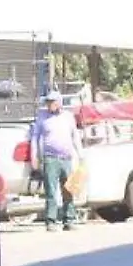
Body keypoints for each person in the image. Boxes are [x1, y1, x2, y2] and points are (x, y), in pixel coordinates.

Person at [30, 92, 81, 232]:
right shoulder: (42, 117)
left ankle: (69, 219)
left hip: (66, 158)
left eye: (52, 102)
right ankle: (51, 221)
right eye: (48, 102)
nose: (49, 105)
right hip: (50, 158)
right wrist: (34, 156)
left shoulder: (68, 117)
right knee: (51, 191)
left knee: (68, 189)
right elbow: (35, 137)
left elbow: (75, 135)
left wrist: (80, 154)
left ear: (59, 103)